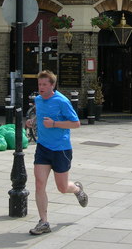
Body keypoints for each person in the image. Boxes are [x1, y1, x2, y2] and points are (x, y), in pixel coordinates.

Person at [25, 70, 88, 235]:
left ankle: (77, 189)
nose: (41, 88)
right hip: (43, 148)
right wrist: (32, 122)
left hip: (61, 150)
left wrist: (54, 124)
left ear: (52, 85)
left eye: (45, 84)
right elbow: (40, 116)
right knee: (39, 184)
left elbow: (76, 123)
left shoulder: (62, 101)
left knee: (62, 187)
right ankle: (43, 222)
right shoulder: (38, 100)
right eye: (39, 84)